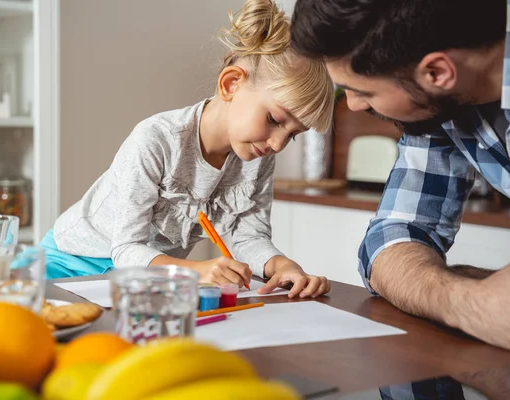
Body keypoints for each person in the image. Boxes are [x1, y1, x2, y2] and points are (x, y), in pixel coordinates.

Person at [40, 0, 334, 298]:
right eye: (273, 119)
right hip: (71, 265)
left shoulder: (257, 157)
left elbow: (249, 236)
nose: (277, 144)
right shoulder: (156, 139)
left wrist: (282, 265)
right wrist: (198, 270)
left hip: (147, 277)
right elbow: (126, 249)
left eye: (294, 135)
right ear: (231, 84)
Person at [290, 0, 510, 348]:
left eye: (363, 91)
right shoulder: (441, 108)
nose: (354, 105)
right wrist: (469, 301)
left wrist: (449, 288)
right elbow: (392, 238)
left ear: (437, 71)